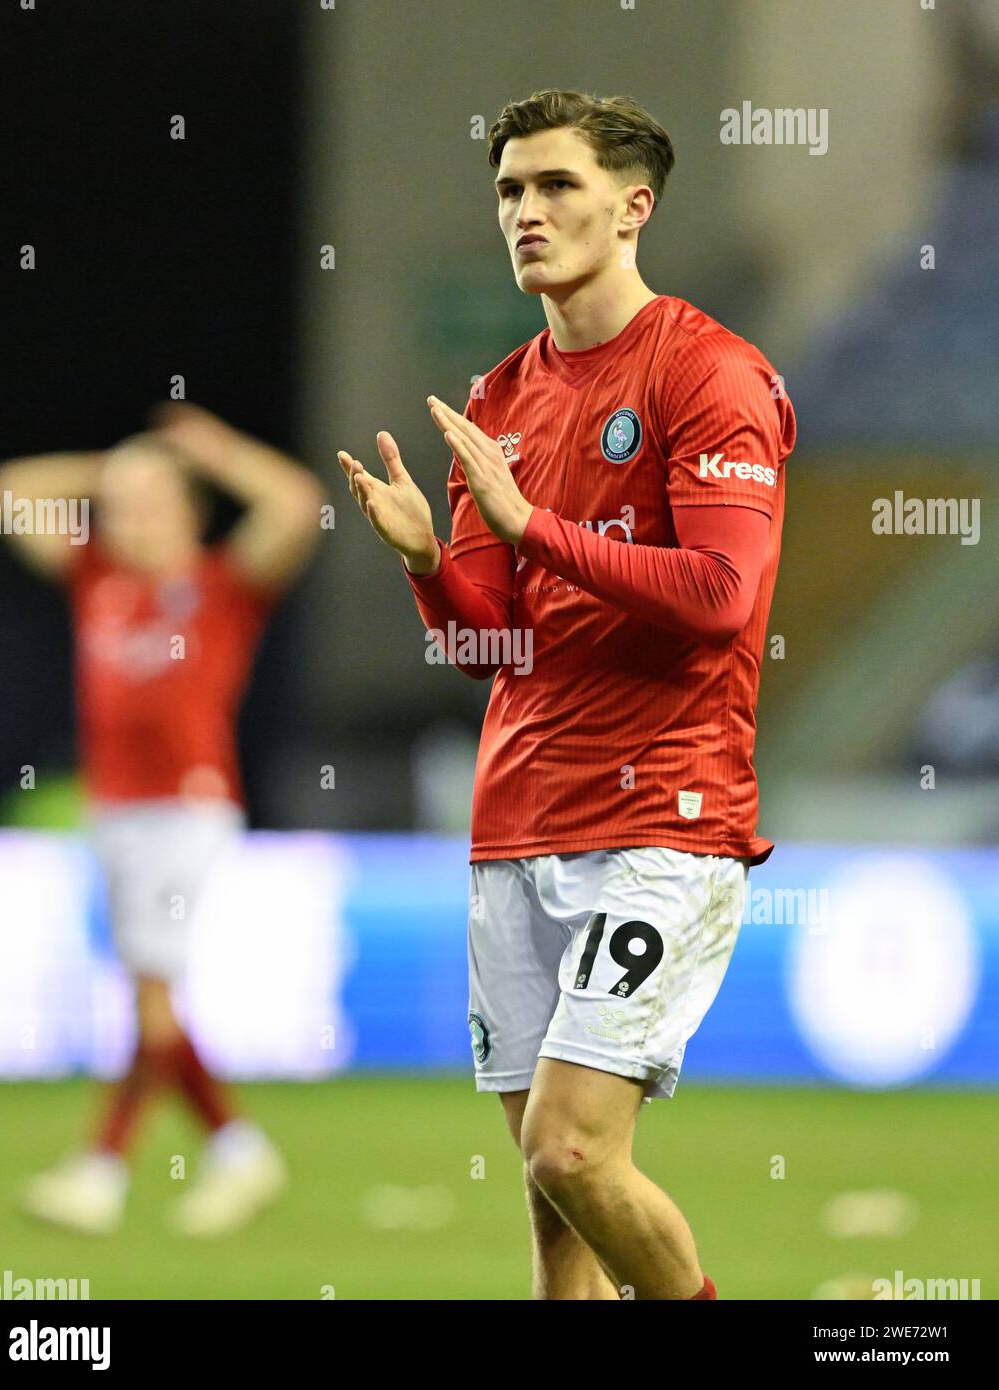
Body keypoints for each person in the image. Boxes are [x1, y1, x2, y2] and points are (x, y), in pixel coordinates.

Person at [338, 89, 795, 1299]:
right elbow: (494, 652)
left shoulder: (708, 372)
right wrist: (431, 564)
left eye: (554, 187)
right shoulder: (495, 401)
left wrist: (531, 525)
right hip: (517, 818)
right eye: (508, 191)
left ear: (632, 207)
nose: (525, 213)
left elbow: (717, 593)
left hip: (661, 813)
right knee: (551, 1214)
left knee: (571, 1146)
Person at [0, 403, 325, 1236]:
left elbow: (297, 503)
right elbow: (6, 492)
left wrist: (211, 450)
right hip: (117, 812)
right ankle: (233, 1152)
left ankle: (104, 1170)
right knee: (150, 1002)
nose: (128, 516)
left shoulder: (218, 585)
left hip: (187, 807)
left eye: (148, 500)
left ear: (186, 509)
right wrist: (113, 466)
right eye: (119, 504)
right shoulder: (97, 577)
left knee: (153, 999)